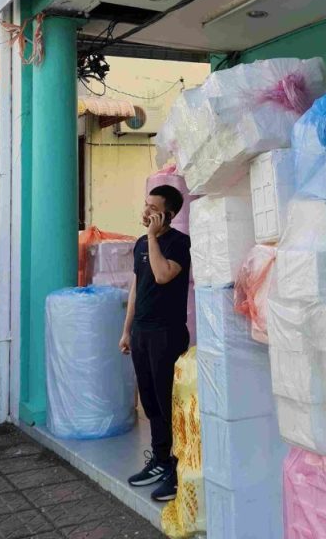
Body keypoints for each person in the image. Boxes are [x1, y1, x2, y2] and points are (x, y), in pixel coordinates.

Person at [119, 184, 191, 502]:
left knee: (167, 403)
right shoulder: (138, 245)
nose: (146, 211)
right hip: (142, 333)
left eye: (153, 208)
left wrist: (152, 236)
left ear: (169, 214)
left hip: (167, 333)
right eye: (145, 204)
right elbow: (137, 288)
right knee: (150, 404)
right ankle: (161, 461)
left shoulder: (180, 243)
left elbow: (162, 275)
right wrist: (126, 330)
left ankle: (178, 471)